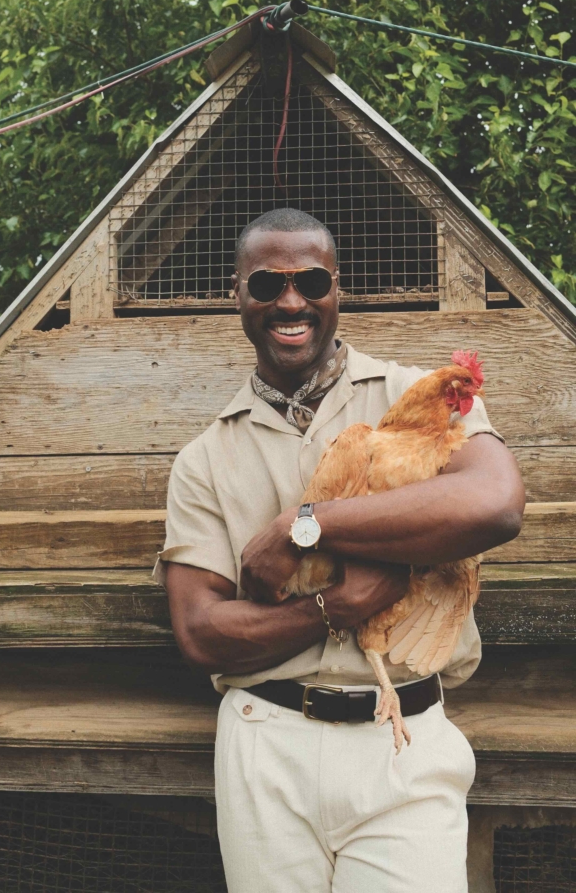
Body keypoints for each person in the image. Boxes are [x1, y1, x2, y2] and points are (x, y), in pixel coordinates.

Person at [155, 208, 525, 893]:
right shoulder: (205, 458)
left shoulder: (420, 395)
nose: (289, 301)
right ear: (236, 294)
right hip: (264, 738)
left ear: (336, 288)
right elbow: (202, 634)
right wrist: (334, 608)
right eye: (266, 284)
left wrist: (309, 522)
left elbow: (494, 503)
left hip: (403, 737)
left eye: (309, 280)